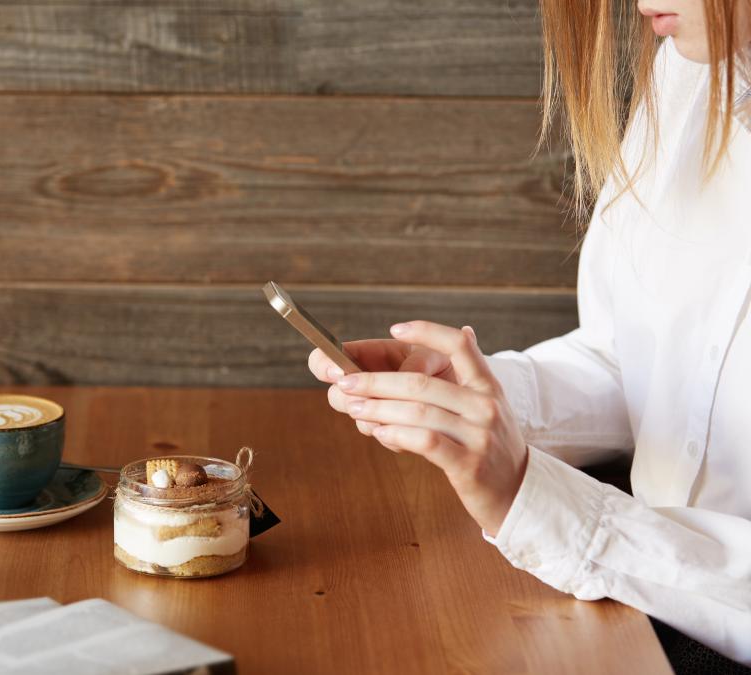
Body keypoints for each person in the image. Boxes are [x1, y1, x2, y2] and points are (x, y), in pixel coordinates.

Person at [308, 1, 751, 670]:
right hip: (637, 609)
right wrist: (482, 398)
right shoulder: (695, 70)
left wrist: (533, 498)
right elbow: (638, 360)